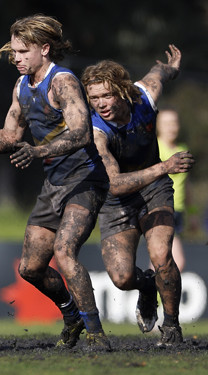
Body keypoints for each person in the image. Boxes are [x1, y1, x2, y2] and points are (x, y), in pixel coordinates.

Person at [0, 14, 110, 350]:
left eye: (23, 52)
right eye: (13, 52)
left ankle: (97, 334)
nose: (16, 58)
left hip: (86, 178)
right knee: (30, 268)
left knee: (64, 253)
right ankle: (71, 316)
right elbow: (9, 136)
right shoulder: (21, 87)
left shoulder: (63, 82)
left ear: (45, 49)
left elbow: (82, 134)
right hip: (55, 184)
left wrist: (38, 152)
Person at [81, 45, 193, 347]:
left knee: (161, 256)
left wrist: (173, 67)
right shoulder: (96, 131)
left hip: (155, 190)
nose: (101, 104)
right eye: (94, 98)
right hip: (117, 199)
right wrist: (165, 166)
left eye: (107, 95)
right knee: (121, 278)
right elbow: (115, 184)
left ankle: (171, 328)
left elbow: (159, 73)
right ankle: (146, 288)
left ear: (122, 90)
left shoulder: (144, 96)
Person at [156, 108, 189, 271]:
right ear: (158, 126)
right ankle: (159, 296)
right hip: (161, 210)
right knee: (176, 262)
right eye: (167, 124)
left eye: (174, 123)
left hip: (179, 212)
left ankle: (153, 295)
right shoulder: (155, 148)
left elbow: (186, 183)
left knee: (161, 261)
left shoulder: (183, 148)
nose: (172, 128)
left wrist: (194, 213)